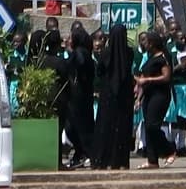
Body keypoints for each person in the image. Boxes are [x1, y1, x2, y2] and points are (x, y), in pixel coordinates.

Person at [95, 21, 138, 170]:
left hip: (108, 94)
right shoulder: (129, 52)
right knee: (122, 127)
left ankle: (103, 159)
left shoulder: (106, 53)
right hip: (125, 95)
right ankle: (121, 160)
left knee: (106, 126)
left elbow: (99, 71)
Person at [136, 28, 178, 166]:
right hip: (148, 95)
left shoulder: (163, 57)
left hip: (160, 96)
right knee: (148, 126)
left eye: (146, 41)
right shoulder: (149, 58)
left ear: (152, 43)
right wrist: (139, 98)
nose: (144, 44)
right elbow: (142, 79)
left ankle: (169, 150)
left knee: (153, 126)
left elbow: (166, 77)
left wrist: (148, 80)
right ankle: (152, 160)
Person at [58, 23, 97, 170]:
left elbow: (79, 64)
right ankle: (80, 153)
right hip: (81, 96)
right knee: (73, 128)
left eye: (71, 38)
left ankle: (87, 153)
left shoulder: (80, 53)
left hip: (78, 97)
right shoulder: (84, 52)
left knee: (75, 127)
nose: (68, 40)